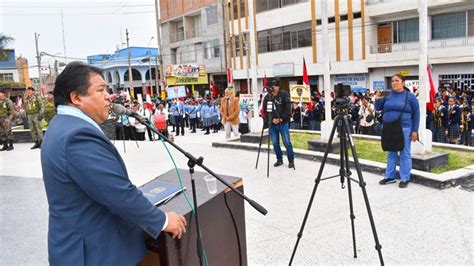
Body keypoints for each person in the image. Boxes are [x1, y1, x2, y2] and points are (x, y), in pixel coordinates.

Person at [41, 62, 186, 265]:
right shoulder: (77, 135)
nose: (109, 96)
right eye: (101, 90)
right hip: (93, 253)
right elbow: (117, 192)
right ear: (76, 98)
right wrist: (162, 220)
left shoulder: (62, 126)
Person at [375, 74, 420, 188]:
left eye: (397, 80)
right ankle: (390, 177)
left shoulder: (410, 96)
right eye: (392, 81)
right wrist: (377, 99)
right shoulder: (387, 93)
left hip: (404, 128)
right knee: (391, 152)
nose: (394, 83)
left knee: (404, 153)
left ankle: (405, 178)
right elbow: (378, 107)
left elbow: (417, 114)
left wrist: (415, 130)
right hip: (389, 127)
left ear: (403, 82)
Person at [262, 79, 295, 169]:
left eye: (276, 86)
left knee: (287, 142)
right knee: (275, 143)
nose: (274, 87)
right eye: (272, 86)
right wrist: (272, 119)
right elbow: (265, 110)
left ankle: (291, 160)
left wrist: (281, 118)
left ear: (278, 86)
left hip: (283, 123)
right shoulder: (267, 97)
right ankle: (279, 159)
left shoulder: (284, 94)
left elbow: (288, 109)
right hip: (272, 124)